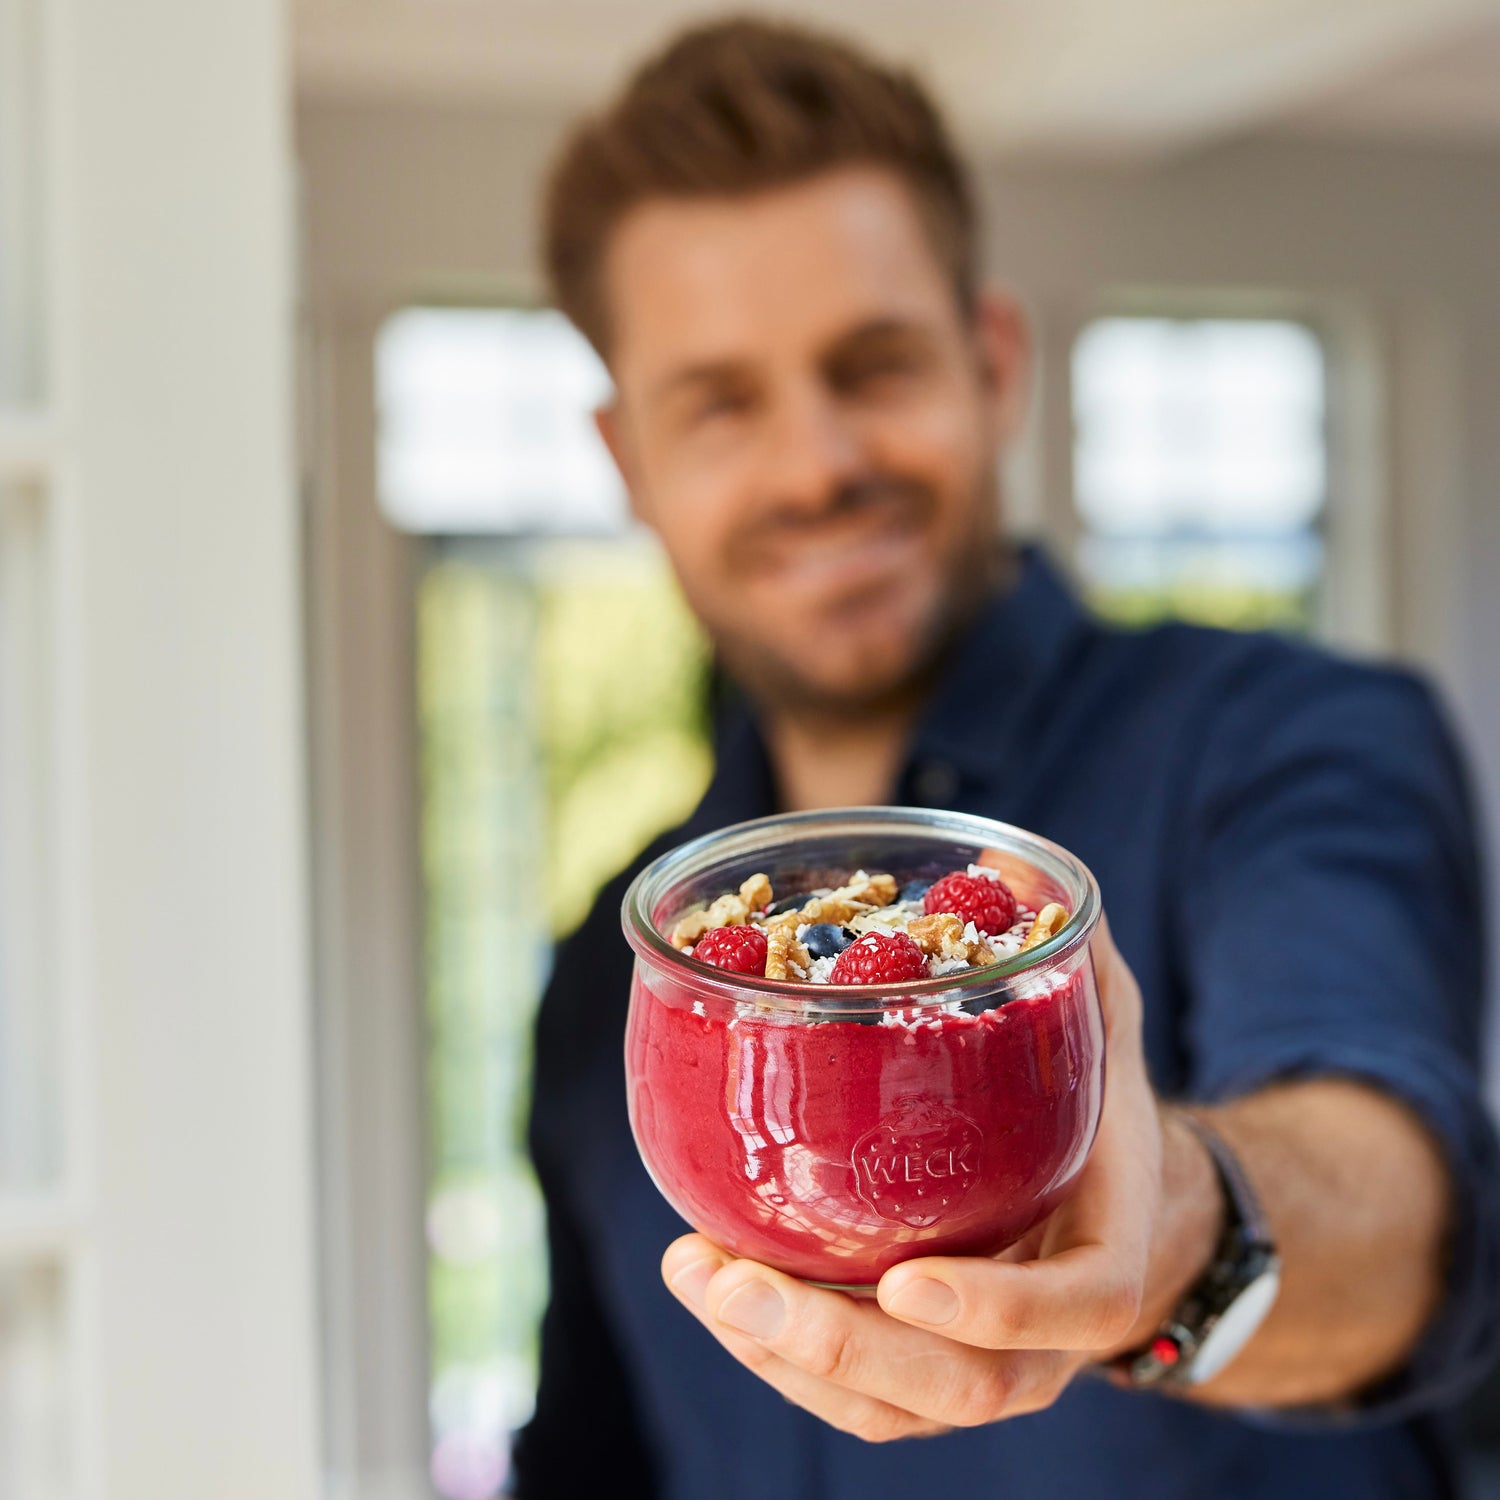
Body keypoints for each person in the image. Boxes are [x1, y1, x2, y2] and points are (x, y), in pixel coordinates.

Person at [510, 17, 1500, 1499]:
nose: (816, 464)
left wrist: (1173, 1232)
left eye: (875, 363)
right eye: (722, 403)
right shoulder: (619, 972)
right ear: (629, 462)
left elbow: (1400, 1201)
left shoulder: (1288, 742)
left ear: (991, 363)